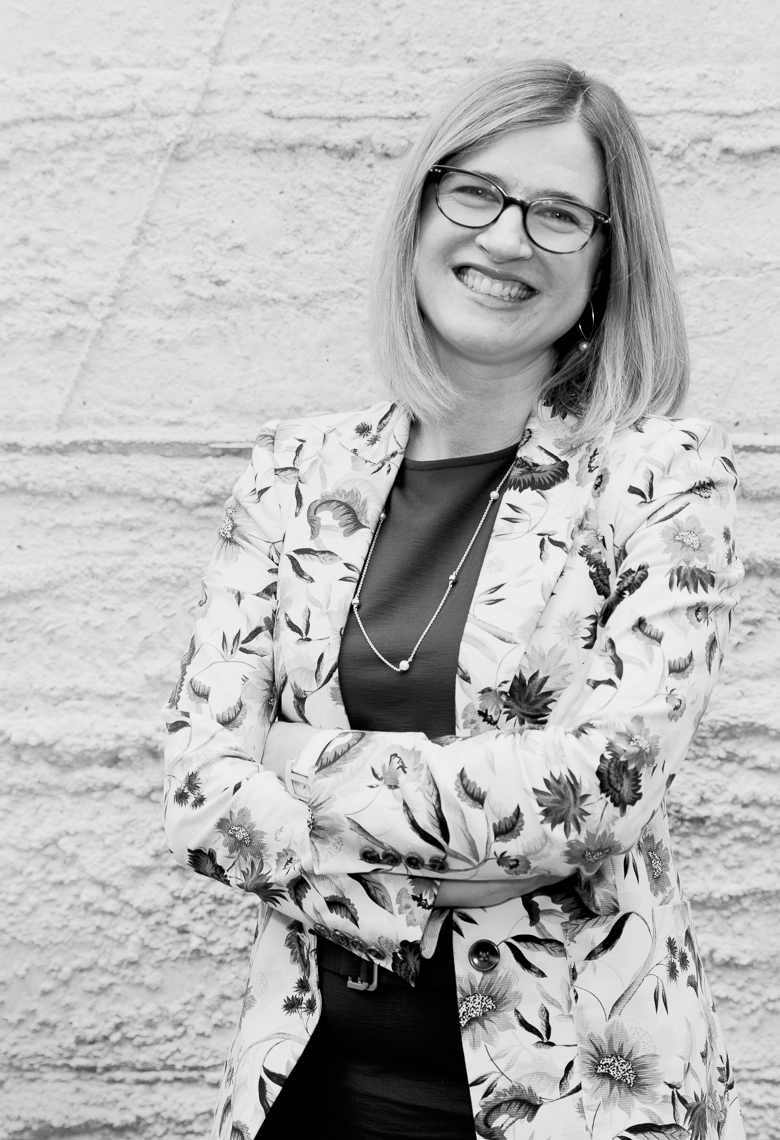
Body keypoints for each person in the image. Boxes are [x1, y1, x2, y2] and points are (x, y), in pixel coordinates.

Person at [163, 58, 746, 1140]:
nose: (508, 237)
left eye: (561, 214)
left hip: (580, 1102)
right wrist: (437, 876)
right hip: (309, 1090)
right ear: (424, 208)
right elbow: (198, 787)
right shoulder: (293, 470)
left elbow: (603, 785)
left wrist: (293, 763)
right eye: (475, 192)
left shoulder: (661, 474)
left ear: (611, 262)